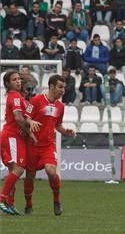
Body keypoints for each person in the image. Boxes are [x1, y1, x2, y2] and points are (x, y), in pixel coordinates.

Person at [23, 75, 76, 216]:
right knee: (30, 176)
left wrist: (66, 132)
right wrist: (30, 122)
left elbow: (57, 125)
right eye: (60, 87)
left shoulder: (60, 106)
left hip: (48, 145)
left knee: (51, 171)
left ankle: (56, 201)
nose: (63, 90)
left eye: (64, 87)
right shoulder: (36, 100)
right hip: (32, 145)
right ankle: (28, 204)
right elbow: (25, 117)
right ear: (51, 86)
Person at [0, 71, 40, 215]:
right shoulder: (15, 97)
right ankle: (2, 198)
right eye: (14, 79)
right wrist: (30, 133)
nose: (18, 81)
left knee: (13, 171)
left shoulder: (19, 97)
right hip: (12, 137)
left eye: (19, 79)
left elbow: (24, 115)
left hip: (14, 137)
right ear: (8, 83)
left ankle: (9, 204)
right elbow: (18, 117)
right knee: (19, 169)